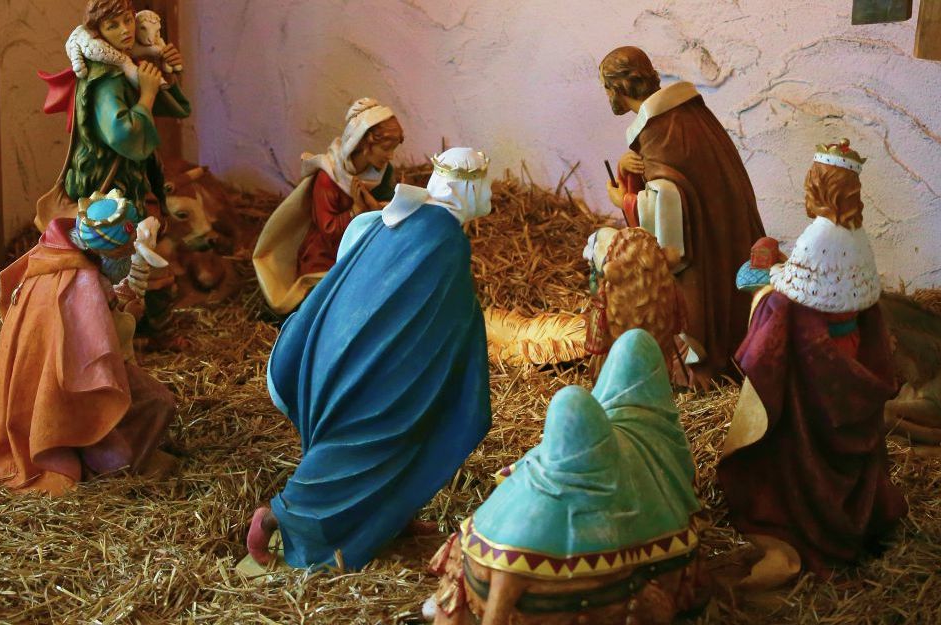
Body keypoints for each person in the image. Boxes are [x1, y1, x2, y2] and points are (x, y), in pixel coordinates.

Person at [247, 148, 493, 570]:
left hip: (372, 359)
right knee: (356, 455)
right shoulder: (442, 237)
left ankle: (390, 517)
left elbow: (429, 306)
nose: (489, 191)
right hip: (380, 376)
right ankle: (275, 520)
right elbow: (442, 309)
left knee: (409, 443)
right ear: (462, 187)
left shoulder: (412, 218)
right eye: (483, 181)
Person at [716, 140, 907, 588]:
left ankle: (803, 521)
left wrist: (763, 277)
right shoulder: (853, 236)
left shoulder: (821, 236)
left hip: (819, 364)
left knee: (805, 443)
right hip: (847, 351)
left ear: (821, 187)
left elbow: (791, 297)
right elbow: (821, 287)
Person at [423, 329, 705, 625]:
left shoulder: (574, 431)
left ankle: (458, 600)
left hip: (492, 536)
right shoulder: (656, 445)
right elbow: (685, 490)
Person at [0, 190, 176, 496]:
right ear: (106, 256)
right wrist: (129, 315)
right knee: (158, 401)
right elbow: (103, 348)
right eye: (125, 255)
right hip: (65, 379)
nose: (128, 260)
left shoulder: (51, 256)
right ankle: (120, 469)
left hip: (38, 368)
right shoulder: (83, 285)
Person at [598, 46, 766, 386]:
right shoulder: (687, 115)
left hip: (700, 256)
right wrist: (626, 166)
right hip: (724, 230)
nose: (606, 96)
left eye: (606, 88)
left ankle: (700, 372)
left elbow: (668, 206)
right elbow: (679, 178)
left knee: (689, 308)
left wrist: (625, 199)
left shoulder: (660, 131)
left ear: (619, 89)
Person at [38, 0, 191, 231]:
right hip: (108, 187)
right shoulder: (106, 81)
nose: (125, 30)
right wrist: (148, 94)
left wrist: (166, 72)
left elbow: (177, 108)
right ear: (97, 32)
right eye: (112, 25)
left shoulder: (123, 63)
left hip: (126, 179)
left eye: (128, 20)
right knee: (120, 248)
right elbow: (123, 133)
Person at [253, 98, 403, 314]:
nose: (390, 156)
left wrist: (379, 207)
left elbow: (390, 208)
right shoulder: (329, 177)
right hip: (327, 252)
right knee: (326, 300)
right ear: (364, 142)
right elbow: (329, 229)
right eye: (386, 148)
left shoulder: (382, 173)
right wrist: (357, 211)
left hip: (366, 244)